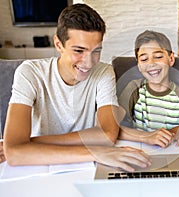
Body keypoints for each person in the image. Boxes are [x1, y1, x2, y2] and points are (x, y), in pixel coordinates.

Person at [2, 4, 151, 172]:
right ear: (58, 44)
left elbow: (108, 134)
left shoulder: (103, 72)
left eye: (96, 51)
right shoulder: (30, 72)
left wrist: (32, 143)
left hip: (71, 163)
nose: (89, 62)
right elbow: (15, 154)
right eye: (79, 50)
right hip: (39, 165)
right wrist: (93, 151)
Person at [118, 30, 179, 148]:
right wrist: (146, 137)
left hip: (171, 151)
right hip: (139, 150)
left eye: (158, 57)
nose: (151, 63)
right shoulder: (133, 89)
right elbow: (112, 127)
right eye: (144, 59)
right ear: (138, 65)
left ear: (171, 59)